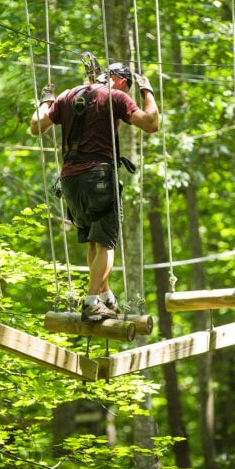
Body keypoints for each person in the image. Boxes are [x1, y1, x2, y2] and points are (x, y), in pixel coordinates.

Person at [30, 62, 160, 322]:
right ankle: (91, 301)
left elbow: (36, 126)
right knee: (106, 242)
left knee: (94, 239)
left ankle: (106, 296)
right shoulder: (116, 96)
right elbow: (151, 123)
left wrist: (46, 101)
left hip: (69, 179)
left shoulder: (68, 95)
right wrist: (148, 93)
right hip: (98, 175)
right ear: (121, 80)